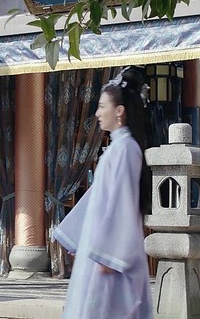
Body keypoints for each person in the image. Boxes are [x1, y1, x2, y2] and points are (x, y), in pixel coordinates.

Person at [53, 67, 153, 319]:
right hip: (100, 248)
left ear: (119, 111)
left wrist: (110, 254)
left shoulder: (126, 149)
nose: (97, 113)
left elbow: (121, 204)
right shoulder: (118, 148)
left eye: (101, 106)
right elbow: (97, 199)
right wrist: (81, 238)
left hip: (111, 255)